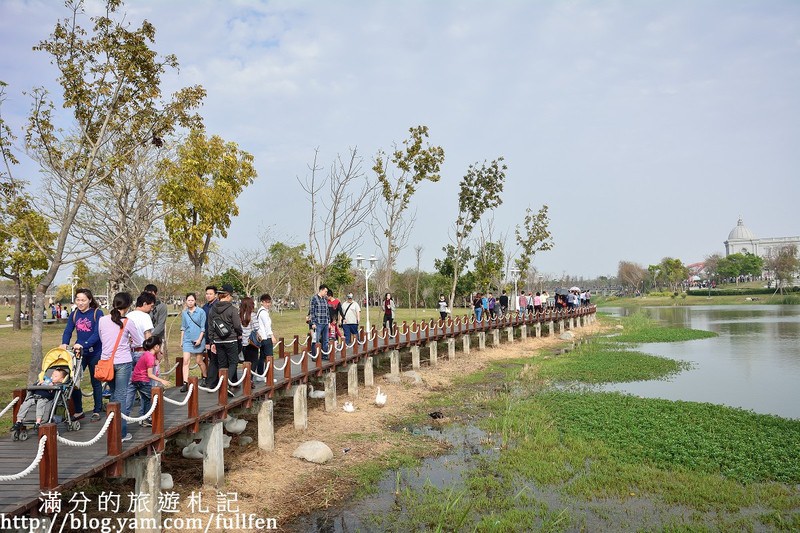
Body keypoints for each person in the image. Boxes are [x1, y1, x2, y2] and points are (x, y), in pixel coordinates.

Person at [99, 292, 144, 443]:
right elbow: (138, 342)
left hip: (106, 362)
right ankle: (121, 433)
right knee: (121, 397)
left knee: (113, 395)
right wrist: (128, 342)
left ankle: (112, 429)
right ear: (128, 305)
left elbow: (102, 338)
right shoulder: (128, 322)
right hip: (123, 362)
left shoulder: (102, 320)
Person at [60, 288, 104, 421]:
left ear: (90, 300)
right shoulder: (74, 314)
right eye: (78, 300)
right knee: (74, 381)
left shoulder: (97, 313)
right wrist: (64, 343)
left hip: (95, 352)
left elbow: (97, 334)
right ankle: (78, 411)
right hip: (79, 353)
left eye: (83, 300)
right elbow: (68, 331)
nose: (80, 303)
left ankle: (97, 410)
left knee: (95, 382)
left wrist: (84, 344)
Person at [207, 284, 242, 392]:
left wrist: (212, 340)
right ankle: (226, 383)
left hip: (217, 340)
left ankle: (222, 384)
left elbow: (210, 326)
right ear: (228, 295)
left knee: (222, 363)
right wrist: (239, 333)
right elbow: (237, 325)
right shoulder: (232, 309)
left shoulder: (212, 309)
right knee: (233, 362)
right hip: (231, 339)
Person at [128, 335, 170, 426]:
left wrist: (159, 357)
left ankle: (145, 418)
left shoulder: (148, 354)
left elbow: (156, 363)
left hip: (136, 379)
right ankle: (156, 420)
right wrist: (162, 381)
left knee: (146, 399)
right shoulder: (150, 357)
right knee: (156, 397)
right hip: (142, 381)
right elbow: (150, 374)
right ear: (156, 347)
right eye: (160, 346)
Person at [179, 293, 206, 392]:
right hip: (187, 339)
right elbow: (183, 327)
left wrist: (199, 340)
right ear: (186, 301)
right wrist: (181, 340)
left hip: (198, 339)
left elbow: (203, 327)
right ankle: (185, 382)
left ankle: (204, 376)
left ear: (195, 301)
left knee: (199, 361)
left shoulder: (201, 312)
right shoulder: (185, 313)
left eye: (192, 300)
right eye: (188, 300)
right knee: (186, 361)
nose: (190, 302)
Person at [144, 284, 168, 361]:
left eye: (151, 293)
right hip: (144, 338)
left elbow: (161, 324)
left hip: (157, 338)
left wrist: (150, 336)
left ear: (155, 293)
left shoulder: (162, 306)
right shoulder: (143, 305)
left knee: (156, 361)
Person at [239, 296, 259, 385]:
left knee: (246, 361)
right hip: (251, 342)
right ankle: (250, 379)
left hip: (242, 342)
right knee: (254, 361)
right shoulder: (253, 315)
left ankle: (246, 378)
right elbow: (256, 328)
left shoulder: (238, 315)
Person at [307, 284, 330, 360]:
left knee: (325, 340)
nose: (326, 293)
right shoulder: (314, 298)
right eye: (325, 291)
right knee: (316, 340)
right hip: (318, 323)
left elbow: (327, 311)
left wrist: (329, 322)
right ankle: (315, 356)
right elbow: (312, 312)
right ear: (321, 290)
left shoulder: (325, 299)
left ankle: (325, 355)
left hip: (325, 322)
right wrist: (313, 323)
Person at [256, 294, 276, 380]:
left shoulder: (261, 311)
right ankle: (269, 376)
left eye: (269, 302)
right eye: (266, 302)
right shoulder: (263, 312)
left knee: (262, 357)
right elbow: (267, 326)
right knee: (269, 357)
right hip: (266, 337)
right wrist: (272, 336)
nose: (268, 304)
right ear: (262, 302)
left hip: (262, 337)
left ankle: (260, 375)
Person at [202, 285, 218, 383]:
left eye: (210, 294)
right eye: (207, 294)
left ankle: (214, 380)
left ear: (215, 295)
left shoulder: (217, 306)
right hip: (207, 337)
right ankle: (212, 380)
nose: (208, 296)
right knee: (211, 359)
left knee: (216, 360)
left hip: (216, 337)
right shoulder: (205, 307)